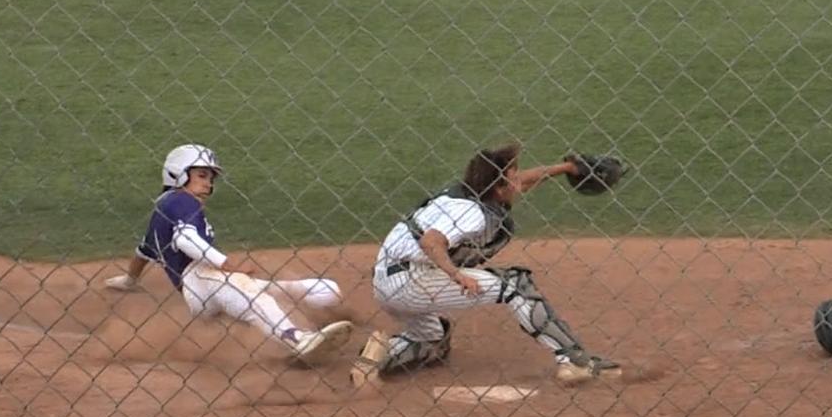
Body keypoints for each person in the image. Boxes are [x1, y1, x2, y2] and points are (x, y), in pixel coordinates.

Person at [352, 141, 621, 387]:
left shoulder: (466, 193)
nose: (519, 180)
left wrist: (565, 168)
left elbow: (521, 182)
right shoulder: (472, 214)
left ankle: (374, 360)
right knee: (516, 284)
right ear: (499, 188)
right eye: (513, 176)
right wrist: (457, 275)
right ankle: (573, 361)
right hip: (412, 281)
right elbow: (431, 242)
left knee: (434, 339)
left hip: (387, 280)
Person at [103, 143, 352, 362]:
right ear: (178, 174)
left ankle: (311, 319)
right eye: (201, 175)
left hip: (205, 287)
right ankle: (296, 339)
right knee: (250, 294)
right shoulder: (181, 200)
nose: (208, 184)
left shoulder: (163, 211)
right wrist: (226, 264)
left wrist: (129, 280)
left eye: (211, 179)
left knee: (322, 290)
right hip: (200, 279)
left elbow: (143, 252)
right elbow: (186, 240)